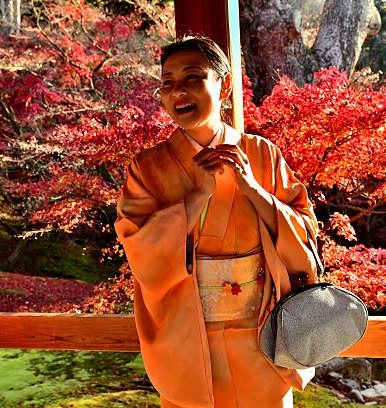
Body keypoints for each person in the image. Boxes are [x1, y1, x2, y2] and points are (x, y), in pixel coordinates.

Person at [115, 36, 321, 408]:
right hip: (188, 338)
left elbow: (306, 229)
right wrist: (198, 196)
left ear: (224, 85)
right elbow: (138, 247)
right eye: (167, 81)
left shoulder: (261, 154)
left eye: (193, 77)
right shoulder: (147, 168)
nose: (177, 90)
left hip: (262, 336)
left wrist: (254, 190)